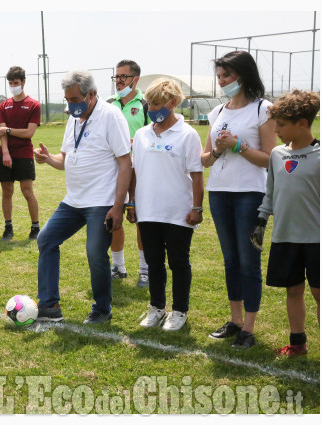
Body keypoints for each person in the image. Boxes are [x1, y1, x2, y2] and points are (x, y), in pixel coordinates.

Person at [33, 70, 132, 324]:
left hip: (101, 201)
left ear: (91, 95)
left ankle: (102, 308)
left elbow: (125, 163)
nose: (71, 105)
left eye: (75, 99)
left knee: (95, 253)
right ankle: (49, 305)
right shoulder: (74, 119)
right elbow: (65, 160)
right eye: (68, 100)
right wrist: (47, 159)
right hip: (74, 200)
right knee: (46, 239)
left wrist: (118, 206)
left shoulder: (111, 116)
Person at [201, 51, 276, 349]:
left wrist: (239, 145)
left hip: (250, 193)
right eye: (219, 76)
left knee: (248, 260)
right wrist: (219, 150)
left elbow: (270, 158)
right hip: (219, 192)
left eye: (227, 76)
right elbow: (205, 159)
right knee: (230, 260)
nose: (222, 82)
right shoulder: (216, 113)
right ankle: (234, 321)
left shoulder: (263, 109)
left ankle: (249, 327)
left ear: (242, 76)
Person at [130, 78, 204, 331]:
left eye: (157, 103)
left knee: (178, 262)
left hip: (177, 212)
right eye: (149, 104)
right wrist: (132, 204)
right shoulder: (141, 134)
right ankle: (157, 308)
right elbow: (134, 172)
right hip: (148, 211)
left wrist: (197, 208)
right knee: (153, 261)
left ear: (172, 103)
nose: (152, 109)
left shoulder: (188, 134)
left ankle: (180, 311)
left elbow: (196, 175)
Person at [252, 90, 320, 357]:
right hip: (285, 237)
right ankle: (297, 342)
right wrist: (261, 221)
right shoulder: (277, 154)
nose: (276, 130)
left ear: (302, 123)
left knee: (318, 291)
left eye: (281, 125)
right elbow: (270, 192)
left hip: (316, 239)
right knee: (293, 290)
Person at [107, 59, 151, 287]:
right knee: (115, 218)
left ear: (136, 79)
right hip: (113, 171)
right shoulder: (108, 104)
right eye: (117, 76)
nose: (119, 81)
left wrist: (139, 142)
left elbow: (156, 132)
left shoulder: (145, 104)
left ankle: (145, 270)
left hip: (140, 171)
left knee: (141, 220)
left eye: (123, 76)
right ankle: (118, 267)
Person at [0, 66, 42, 241]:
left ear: (23, 82)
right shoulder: (4, 105)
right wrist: (5, 152)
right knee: (6, 191)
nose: (13, 86)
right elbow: (1, 132)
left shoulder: (33, 105)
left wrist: (7, 130)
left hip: (24, 154)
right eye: (10, 83)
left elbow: (29, 133)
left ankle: (35, 227)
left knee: (27, 191)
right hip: (5, 154)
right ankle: (8, 228)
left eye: (16, 83)